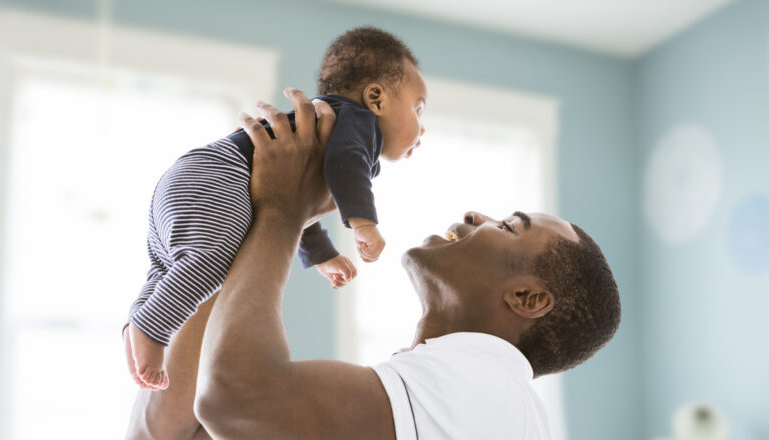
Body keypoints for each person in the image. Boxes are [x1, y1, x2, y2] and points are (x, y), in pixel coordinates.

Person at [123, 89, 622, 439]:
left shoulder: (483, 389)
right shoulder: (447, 393)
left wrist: (282, 209)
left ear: (528, 299)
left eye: (510, 226)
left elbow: (236, 397)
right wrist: (244, 214)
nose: (475, 214)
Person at [124, 26, 428, 390]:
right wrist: (363, 224)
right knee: (209, 262)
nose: (422, 128)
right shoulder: (359, 125)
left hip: (195, 174)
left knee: (166, 265)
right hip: (223, 175)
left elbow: (301, 198)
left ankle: (136, 323)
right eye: (418, 109)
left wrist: (322, 255)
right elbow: (346, 164)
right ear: (376, 98)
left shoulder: (328, 124)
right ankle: (152, 330)